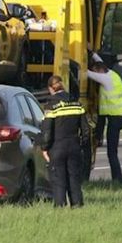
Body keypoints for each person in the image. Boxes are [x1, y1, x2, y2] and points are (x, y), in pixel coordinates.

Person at [40, 75, 91, 208]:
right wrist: (82, 146)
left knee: (58, 180)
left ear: (51, 89)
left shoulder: (51, 106)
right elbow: (86, 130)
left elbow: (47, 131)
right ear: (63, 86)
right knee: (74, 178)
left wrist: (44, 148)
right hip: (74, 146)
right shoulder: (77, 104)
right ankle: (77, 205)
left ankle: (60, 207)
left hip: (57, 147)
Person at [86, 51, 122, 184]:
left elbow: (87, 73)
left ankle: (118, 179)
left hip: (116, 118)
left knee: (112, 152)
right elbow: (100, 62)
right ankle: (99, 137)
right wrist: (92, 52)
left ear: (100, 71)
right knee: (103, 126)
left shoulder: (105, 79)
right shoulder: (110, 73)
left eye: (96, 71)